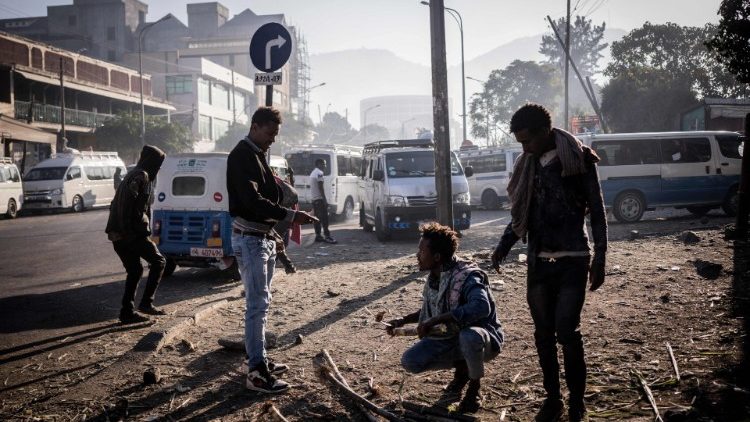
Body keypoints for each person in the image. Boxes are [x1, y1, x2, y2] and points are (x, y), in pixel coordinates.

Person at [491, 104, 607, 422]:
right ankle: (553, 399)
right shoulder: (528, 164)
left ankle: (577, 404)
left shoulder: (580, 158)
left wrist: (601, 257)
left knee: (567, 331)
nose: (524, 148)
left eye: (527, 140)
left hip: (573, 259)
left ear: (544, 132)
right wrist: (502, 247)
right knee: (543, 334)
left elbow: (597, 210)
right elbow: (520, 214)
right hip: (539, 261)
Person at [226, 106, 317, 394]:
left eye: (275, 134)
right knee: (257, 306)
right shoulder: (242, 156)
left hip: (260, 237)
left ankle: (258, 359)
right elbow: (252, 202)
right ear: (255, 127)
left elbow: (266, 196)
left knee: (261, 306)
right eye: (269, 133)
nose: (273, 140)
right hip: (251, 239)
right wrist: (291, 216)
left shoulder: (256, 154)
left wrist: (274, 233)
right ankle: (256, 372)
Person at [387, 222, 503, 413]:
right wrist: (402, 320)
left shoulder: (467, 276)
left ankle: (474, 389)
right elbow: (430, 311)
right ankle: (463, 369)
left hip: (483, 340)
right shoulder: (435, 276)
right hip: (449, 337)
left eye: (421, 251)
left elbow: (481, 307)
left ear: (437, 257)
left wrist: (436, 320)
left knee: (469, 336)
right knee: (411, 361)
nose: (417, 255)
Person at [106, 145, 167, 325]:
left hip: (118, 234)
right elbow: (127, 207)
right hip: (129, 233)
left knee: (135, 270)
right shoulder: (141, 176)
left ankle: (127, 313)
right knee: (159, 262)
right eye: (158, 164)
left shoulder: (133, 175)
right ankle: (146, 304)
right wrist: (130, 234)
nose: (159, 168)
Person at [309, 158, 337, 244]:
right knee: (325, 218)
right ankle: (327, 236)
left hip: (314, 199)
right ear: (319, 164)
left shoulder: (313, 172)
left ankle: (318, 236)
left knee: (317, 218)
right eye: (324, 164)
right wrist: (324, 200)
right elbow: (320, 187)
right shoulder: (319, 173)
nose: (325, 166)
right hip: (319, 199)